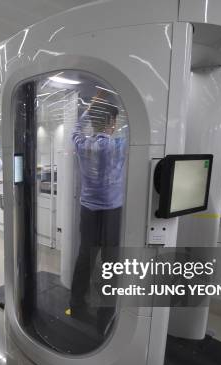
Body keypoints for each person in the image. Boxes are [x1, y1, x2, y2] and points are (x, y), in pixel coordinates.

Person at [67, 91, 128, 334]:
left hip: (88, 210)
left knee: (85, 257)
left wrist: (89, 109)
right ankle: (105, 314)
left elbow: (74, 130)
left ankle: (76, 303)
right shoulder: (119, 145)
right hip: (112, 212)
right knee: (110, 262)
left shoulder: (83, 144)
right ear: (113, 122)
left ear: (92, 122)